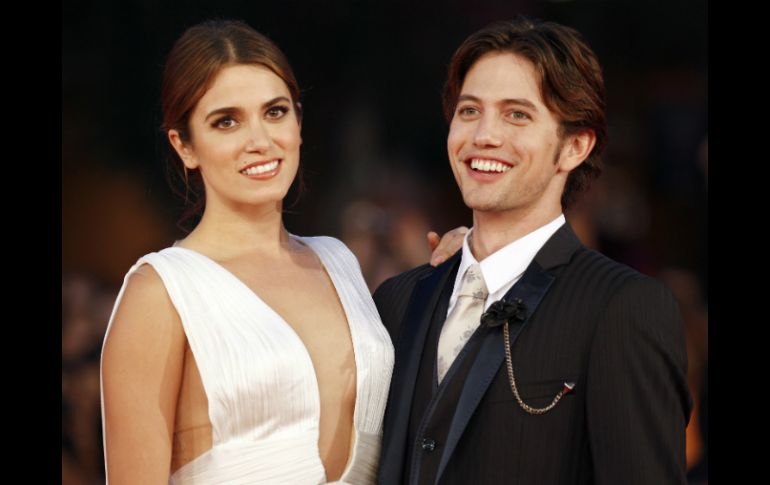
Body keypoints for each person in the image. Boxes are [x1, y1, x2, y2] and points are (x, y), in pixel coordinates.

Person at [100, 19, 462, 484]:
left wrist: (466, 267)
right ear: (184, 145)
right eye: (226, 121)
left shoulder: (339, 261)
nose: (259, 141)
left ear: (298, 122)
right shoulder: (161, 292)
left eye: (274, 112)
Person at [374, 17, 692, 485]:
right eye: (468, 111)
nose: (484, 135)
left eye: (516, 114)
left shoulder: (624, 308)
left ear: (574, 147)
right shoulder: (398, 301)